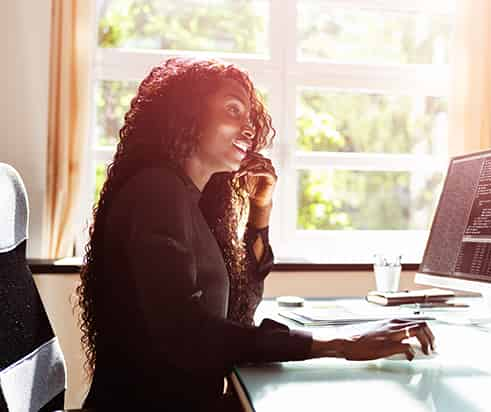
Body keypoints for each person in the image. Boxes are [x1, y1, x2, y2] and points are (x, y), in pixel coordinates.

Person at [76, 57, 435, 411]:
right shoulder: (157, 192)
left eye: (250, 117)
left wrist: (260, 211)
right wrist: (340, 342)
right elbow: (187, 334)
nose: (248, 128)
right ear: (186, 113)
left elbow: (239, 311)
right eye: (232, 109)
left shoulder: (189, 201)